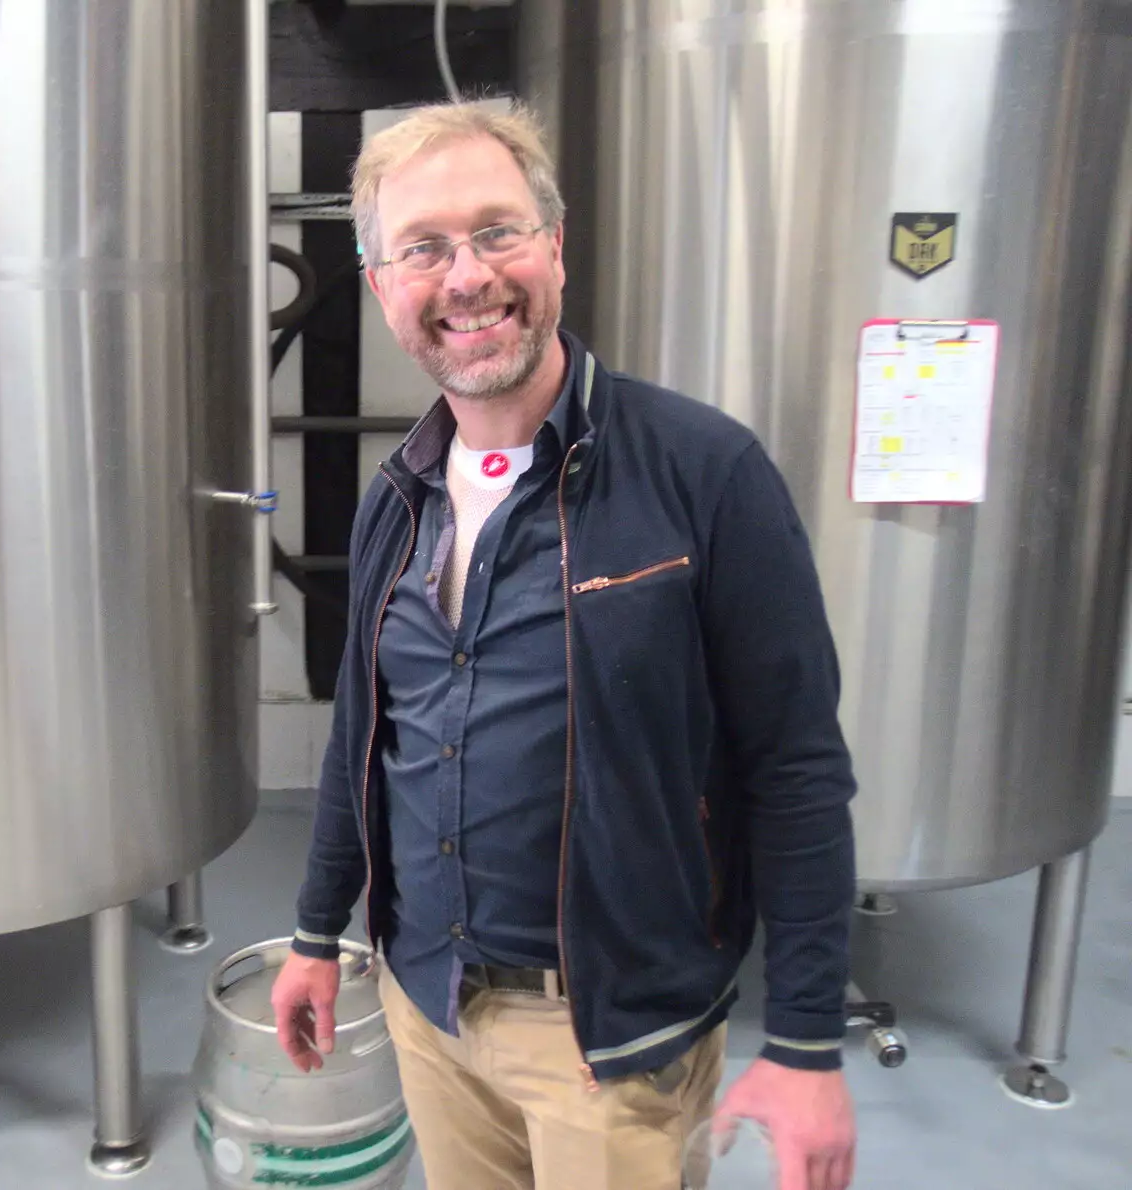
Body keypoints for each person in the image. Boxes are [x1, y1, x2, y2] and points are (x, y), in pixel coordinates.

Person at [269, 100, 859, 1190]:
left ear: (554, 244)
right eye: (424, 248)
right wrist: (316, 930)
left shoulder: (701, 470)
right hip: (429, 1002)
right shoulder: (393, 498)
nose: (465, 278)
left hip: (610, 1041)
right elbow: (364, 733)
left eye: (496, 232)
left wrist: (809, 1040)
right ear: (379, 282)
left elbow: (796, 767)